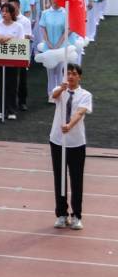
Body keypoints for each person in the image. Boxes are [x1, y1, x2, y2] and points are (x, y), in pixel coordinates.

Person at [49, 63, 90, 230]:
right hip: (57, 141)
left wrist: (69, 125)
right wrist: (61, 88)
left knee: (76, 179)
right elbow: (54, 96)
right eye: (68, 74)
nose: (71, 76)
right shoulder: (59, 90)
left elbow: (80, 112)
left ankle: (77, 216)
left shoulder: (85, 95)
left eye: (74, 74)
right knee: (59, 178)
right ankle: (61, 214)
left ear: (79, 76)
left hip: (76, 143)